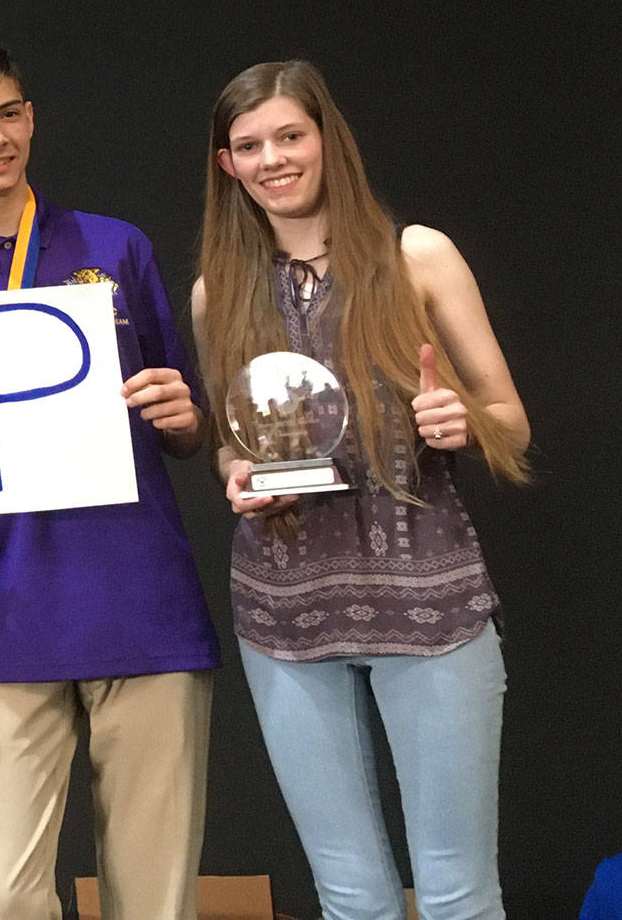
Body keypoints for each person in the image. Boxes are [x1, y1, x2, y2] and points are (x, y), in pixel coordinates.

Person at [0, 39, 220, 919]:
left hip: (142, 604)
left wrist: (186, 416)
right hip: (0, 612)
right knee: (6, 896)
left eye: (10, 113)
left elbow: (187, 427)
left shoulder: (116, 245)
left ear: (30, 117)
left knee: (155, 897)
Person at [195, 59, 530, 920]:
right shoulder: (216, 292)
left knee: (457, 893)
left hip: (431, 608)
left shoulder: (417, 254)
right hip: (283, 616)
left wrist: (466, 422)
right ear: (227, 164)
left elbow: (508, 417)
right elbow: (235, 448)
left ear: (326, 139)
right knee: (349, 898)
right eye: (249, 145)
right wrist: (237, 474)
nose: (273, 158)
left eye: (289, 136)